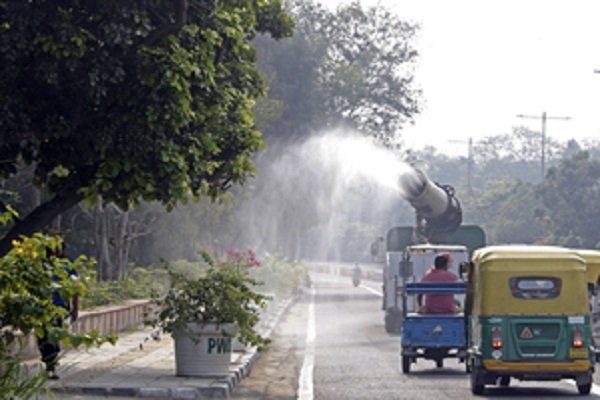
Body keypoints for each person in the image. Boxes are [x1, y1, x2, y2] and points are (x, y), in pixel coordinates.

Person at [37, 246, 79, 380]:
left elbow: (75, 287)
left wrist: (75, 308)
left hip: (59, 308)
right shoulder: (40, 265)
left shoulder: (67, 266)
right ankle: (48, 363)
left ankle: (51, 366)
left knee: (53, 337)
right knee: (43, 338)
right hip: (41, 307)